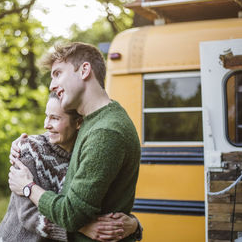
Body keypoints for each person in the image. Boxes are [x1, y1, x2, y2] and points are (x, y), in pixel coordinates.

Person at [8, 42, 142, 241]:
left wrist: (28, 187)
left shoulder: (105, 132)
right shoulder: (95, 120)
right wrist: (25, 144)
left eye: (58, 74)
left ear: (85, 70)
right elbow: (63, 135)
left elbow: (71, 215)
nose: (52, 85)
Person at [0, 93, 140, 242]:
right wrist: (82, 228)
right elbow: (27, 215)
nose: (46, 124)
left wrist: (133, 224)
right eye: (46, 116)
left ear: (78, 123)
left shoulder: (88, 153)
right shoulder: (29, 149)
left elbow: (97, 208)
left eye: (55, 118)